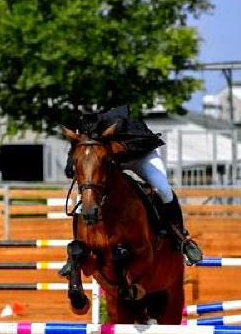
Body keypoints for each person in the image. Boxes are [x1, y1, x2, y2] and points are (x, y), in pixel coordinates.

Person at [62, 105, 203, 267]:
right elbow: (78, 145)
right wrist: (70, 163)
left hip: (139, 155)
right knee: (83, 200)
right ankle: (76, 252)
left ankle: (182, 239)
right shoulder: (82, 121)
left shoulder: (116, 115)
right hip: (110, 161)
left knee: (163, 189)